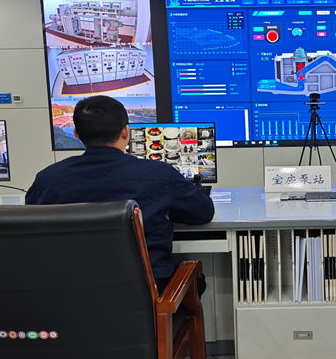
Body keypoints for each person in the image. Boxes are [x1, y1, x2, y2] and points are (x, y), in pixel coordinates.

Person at [26, 95, 215, 297]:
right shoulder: (159, 175)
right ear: (126, 131)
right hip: (147, 295)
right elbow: (203, 213)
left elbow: (30, 224)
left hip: (69, 295)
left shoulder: (46, 180)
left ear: (76, 134)